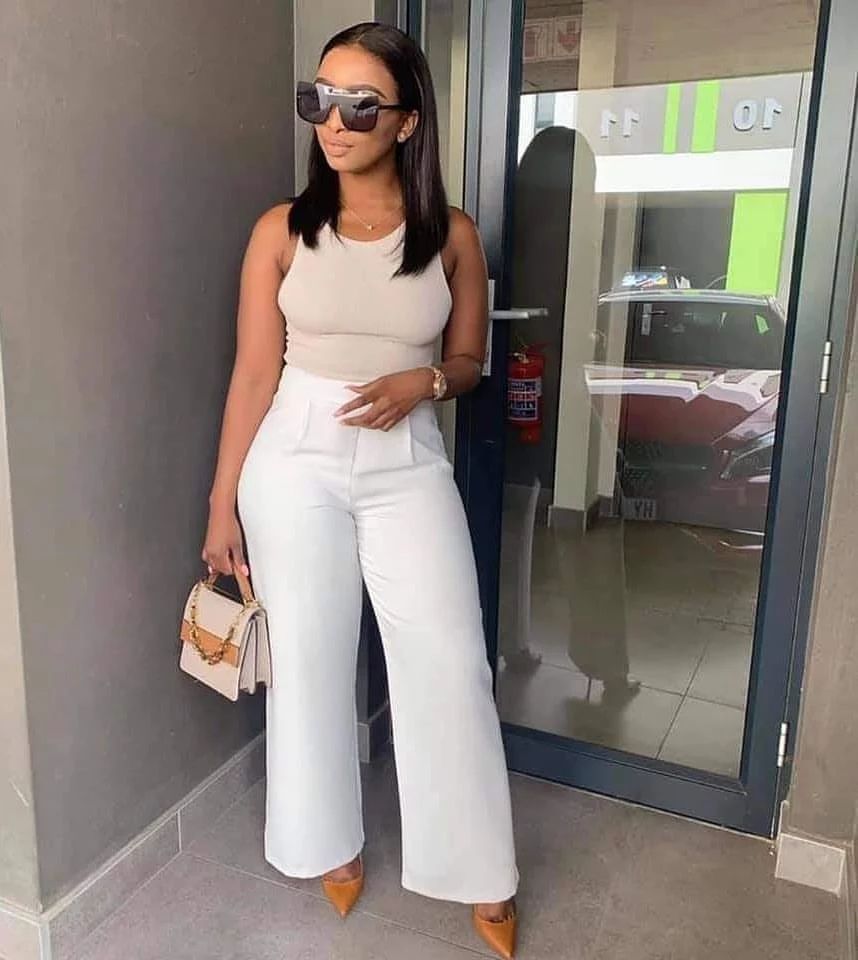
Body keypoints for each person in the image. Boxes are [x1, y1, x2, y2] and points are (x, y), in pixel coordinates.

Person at [201, 21, 519, 959]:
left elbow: (470, 362)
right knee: (310, 659)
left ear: (407, 120)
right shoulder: (282, 230)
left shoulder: (452, 236)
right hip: (294, 453)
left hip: (407, 456)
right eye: (319, 99)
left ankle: (478, 866)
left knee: (450, 659)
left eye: (359, 104)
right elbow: (253, 374)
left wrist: (424, 382)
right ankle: (326, 842)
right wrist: (221, 503)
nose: (334, 122)